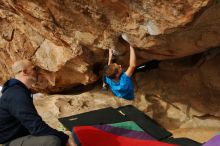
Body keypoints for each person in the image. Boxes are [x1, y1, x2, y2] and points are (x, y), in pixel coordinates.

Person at [0, 60, 73, 146]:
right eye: (34, 69)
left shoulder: (18, 91)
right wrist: (65, 139)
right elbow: (36, 127)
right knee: (52, 141)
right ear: (25, 72)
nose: (38, 72)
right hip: (11, 142)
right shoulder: (16, 94)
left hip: (20, 137)